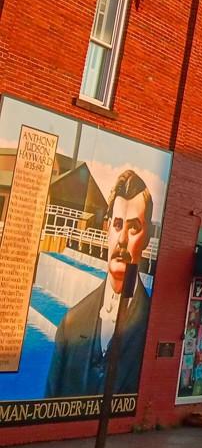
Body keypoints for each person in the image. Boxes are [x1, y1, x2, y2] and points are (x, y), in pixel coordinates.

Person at [45, 170, 154, 398]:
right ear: (107, 230)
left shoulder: (153, 325)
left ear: (147, 237)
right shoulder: (70, 325)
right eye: (117, 225)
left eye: (133, 227)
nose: (122, 240)